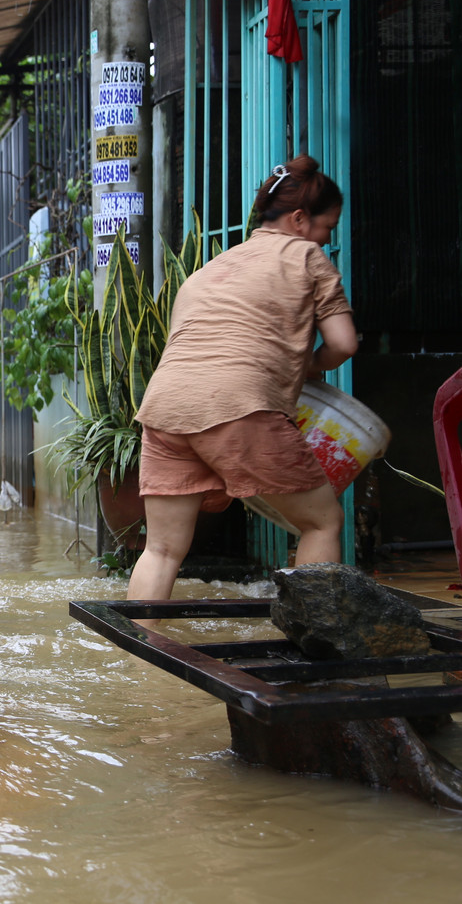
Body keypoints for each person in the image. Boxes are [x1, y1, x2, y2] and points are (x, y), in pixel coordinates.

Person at [127, 155, 358, 606]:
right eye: (327, 226)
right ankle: (312, 647)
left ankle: (139, 664)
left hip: (164, 409)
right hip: (238, 405)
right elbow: (344, 344)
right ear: (298, 218)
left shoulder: (211, 268)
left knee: (161, 549)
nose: (328, 238)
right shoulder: (307, 256)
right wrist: (308, 365)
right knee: (322, 522)